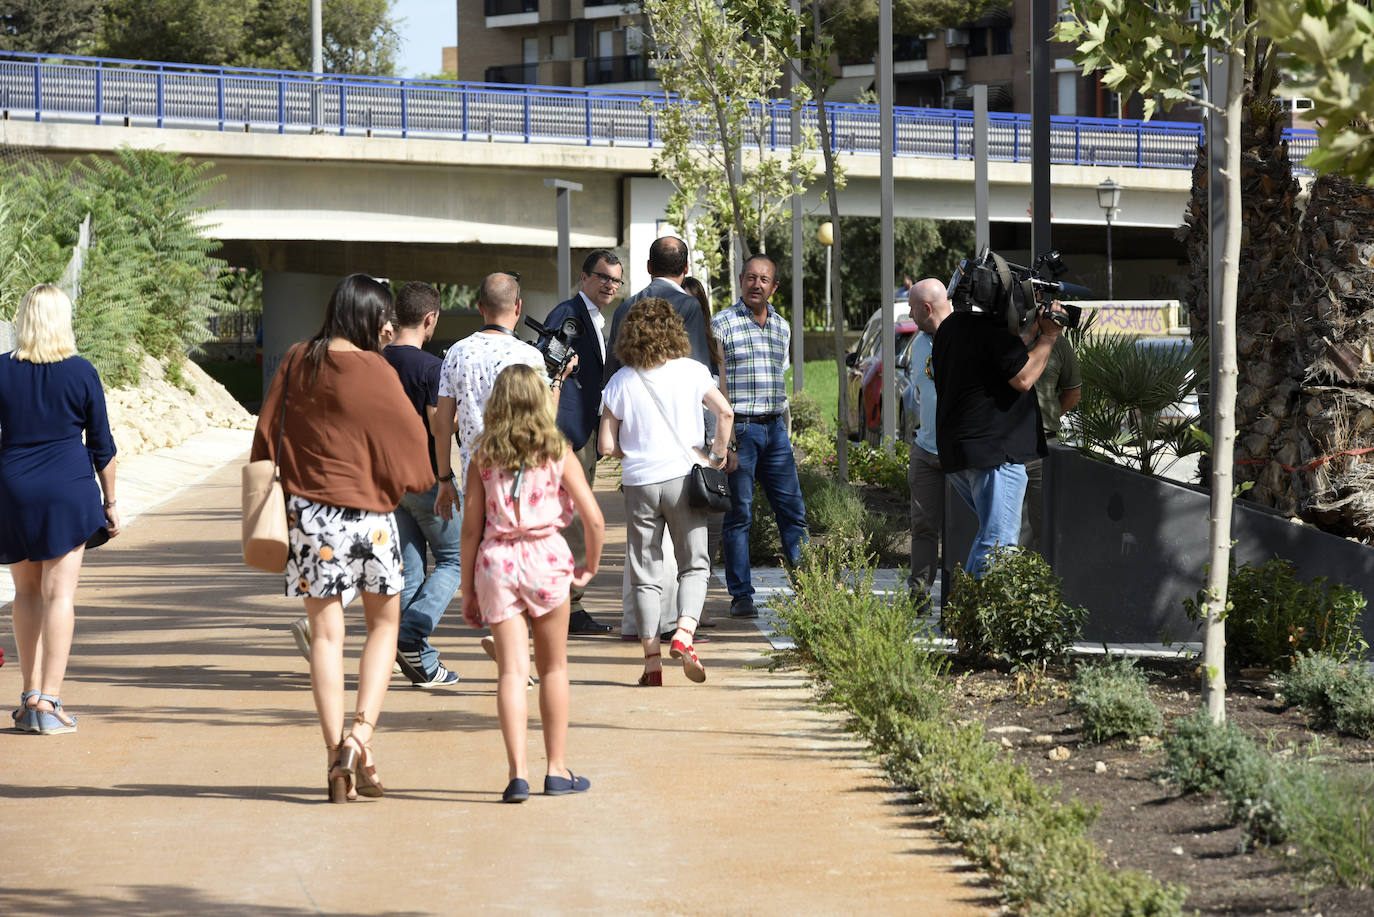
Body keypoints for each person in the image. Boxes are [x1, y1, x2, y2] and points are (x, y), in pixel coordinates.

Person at [251, 274, 433, 803]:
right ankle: (361, 736)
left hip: (310, 518)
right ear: (370, 319)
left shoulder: (296, 359)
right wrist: (413, 480)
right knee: (383, 627)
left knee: (326, 637)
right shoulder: (375, 370)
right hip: (372, 519)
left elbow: (266, 436)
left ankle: (336, 756)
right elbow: (414, 450)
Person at [461, 364, 604, 802]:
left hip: (498, 562)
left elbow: (469, 529)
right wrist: (590, 567)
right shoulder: (557, 451)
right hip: (545, 558)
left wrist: (468, 590)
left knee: (510, 671)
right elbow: (593, 517)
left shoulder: (483, 455)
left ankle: (517, 775)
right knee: (554, 668)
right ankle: (556, 771)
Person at [1, 284, 120, 735]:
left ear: (23, 320)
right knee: (59, 596)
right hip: (68, 491)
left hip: (12, 490)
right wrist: (110, 504)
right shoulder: (81, 372)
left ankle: (29, 697)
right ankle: (49, 702)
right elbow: (103, 448)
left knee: (26, 593)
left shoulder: (0, 371)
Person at [600, 298, 733, 685]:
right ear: (674, 330)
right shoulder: (692, 371)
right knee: (694, 563)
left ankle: (651, 664)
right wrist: (716, 456)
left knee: (645, 572)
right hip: (683, 478)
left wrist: (636, 452)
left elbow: (607, 445)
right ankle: (685, 632)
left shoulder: (621, 380)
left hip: (640, 483)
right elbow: (724, 412)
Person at [930, 290, 1065, 577]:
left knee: (990, 535)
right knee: (998, 545)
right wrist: (1050, 336)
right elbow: (1024, 377)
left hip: (963, 453)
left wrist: (1030, 336)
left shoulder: (953, 326)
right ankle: (977, 620)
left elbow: (1000, 362)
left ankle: (964, 615)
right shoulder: (991, 331)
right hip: (995, 456)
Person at [711, 254, 809, 619]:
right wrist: (726, 439)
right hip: (743, 430)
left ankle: (808, 587)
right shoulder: (721, 325)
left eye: (764, 280)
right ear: (740, 280)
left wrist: (784, 429)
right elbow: (713, 386)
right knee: (739, 516)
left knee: (793, 513)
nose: (756, 284)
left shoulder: (782, 327)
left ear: (774, 286)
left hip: (775, 431)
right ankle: (741, 596)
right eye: (750, 278)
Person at [433, 272, 569, 523]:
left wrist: (444, 479)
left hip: (474, 480)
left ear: (480, 307)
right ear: (519, 306)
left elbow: (442, 424)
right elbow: (546, 421)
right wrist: (559, 378)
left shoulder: (456, 353)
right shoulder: (529, 356)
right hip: (521, 481)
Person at [383, 282, 464, 687]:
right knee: (456, 560)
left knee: (411, 568)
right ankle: (411, 637)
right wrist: (447, 477)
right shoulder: (432, 368)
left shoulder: (374, 362)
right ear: (430, 319)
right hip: (428, 478)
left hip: (387, 481)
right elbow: (439, 428)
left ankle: (411, 658)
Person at [542, 250, 623, 636]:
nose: (610, 285)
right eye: (603, 277)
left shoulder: (593, 318)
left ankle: (562, 602)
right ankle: (569, 608)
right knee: (571, 519)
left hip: (581, 430)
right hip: (567, 432)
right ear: (584, 277)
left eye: (615, 280)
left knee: (568, 517)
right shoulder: (569, 315)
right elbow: (549, 362)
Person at [682, 275, 728, 627]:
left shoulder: (712, 346)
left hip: (711, 451)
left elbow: (723, 399)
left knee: (711, 527)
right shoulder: (662, 349)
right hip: (678, 450)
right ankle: (678, 609)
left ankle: (696, 605)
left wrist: (726, 447)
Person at [603, 235, 712, 381]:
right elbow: (699, 370)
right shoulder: (689, 306)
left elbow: (611, 372)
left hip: (631, 399)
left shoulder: (625, 307)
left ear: (649, 266)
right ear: (686, 267)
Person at [904, 279, 952, 599]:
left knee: (960, 529)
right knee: (922, 526)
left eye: (911, 308)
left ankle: (959, 598)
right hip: (925, 449)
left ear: (927, 308)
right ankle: (918, 596)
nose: (909, 313)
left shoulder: (966, 337)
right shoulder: (919, 342)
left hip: (960, 454)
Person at [1021, 327, 1082, 554]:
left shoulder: (1059, 344)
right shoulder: (1002, 336)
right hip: (1003, 446)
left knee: (1044, 526)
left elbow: (1073, 393)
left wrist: (1045, 417)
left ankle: (1041, 585)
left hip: (1044, 445)